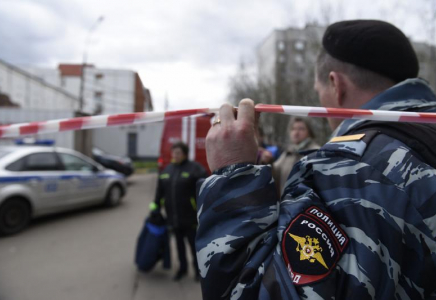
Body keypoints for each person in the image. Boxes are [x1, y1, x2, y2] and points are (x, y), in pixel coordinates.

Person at [196, 20, 436, 299]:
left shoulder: (350, 168)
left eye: (319, 91)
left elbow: (254, 292)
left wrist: (232, 174)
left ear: (336, 84)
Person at [152, 141, 208, 281]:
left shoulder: (195, 169)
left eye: (178, 153)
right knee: (179, 246)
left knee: (194, 246)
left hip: (190, 218)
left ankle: (198, 271)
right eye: (173, 153)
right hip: (173, 218)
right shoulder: (167, 170)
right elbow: (159, 192)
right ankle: (182, 269)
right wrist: (156, 207)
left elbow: (206, 191)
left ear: (184, 154)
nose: (175, 155)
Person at [273, 117, 319, 193]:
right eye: (293, 129)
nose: (296, 133)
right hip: (286, 202)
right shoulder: (288, 152)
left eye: (301, 129)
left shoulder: (316, 152)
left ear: (309, 131)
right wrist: (267, 161)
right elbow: (274, 173)